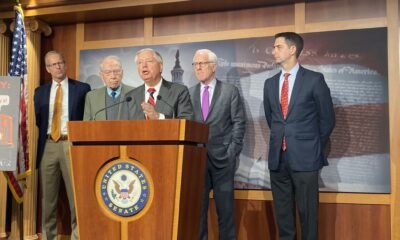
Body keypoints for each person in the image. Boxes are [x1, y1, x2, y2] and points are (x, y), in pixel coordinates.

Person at [263, 32, 335, 240]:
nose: (273, 51)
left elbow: (327, 119)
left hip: (305, 158)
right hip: (278, 158)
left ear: (292, 49)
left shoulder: (314, 80)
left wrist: (311, 146)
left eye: (278, 47)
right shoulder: (270, 84)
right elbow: (273, 120)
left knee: (308, 216)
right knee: (283, 216)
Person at [189, 49, 246, 240]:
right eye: (195, 64)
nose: (197, 67)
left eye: (202, 63)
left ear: (214, 66)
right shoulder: (190, 93)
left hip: (223, 161)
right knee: (198, 214)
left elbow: (239, 122)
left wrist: (232, 152)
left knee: (226, 212)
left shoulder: (230, 91)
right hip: (197, 161)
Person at [34, 50, 91, 240]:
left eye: (61, 62)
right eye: (54, 64)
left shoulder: (82, 88)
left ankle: (77, 237)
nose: (58, 66)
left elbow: (85, 118)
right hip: (48, 145)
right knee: (48, 199)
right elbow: (38, 120)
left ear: (65, 65)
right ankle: (48, 237)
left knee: (76, 197)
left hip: (71, 145)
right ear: (48, 69)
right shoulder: (40, 92)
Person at [120, 48, 193, 120]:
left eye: (149, 61)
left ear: (161, 67)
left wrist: (158, 117)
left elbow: (185, 122)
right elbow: (122, 127)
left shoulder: (179, 91)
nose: (144, 65)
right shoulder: (129, 97)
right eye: (140, 62)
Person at [83, 55, 133, 120]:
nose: (113, 76)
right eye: (108, 72)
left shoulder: (134, 93)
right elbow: (87, 126)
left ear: (122, 73)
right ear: (101, 76)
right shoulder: (91, 97)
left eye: (116, 71)